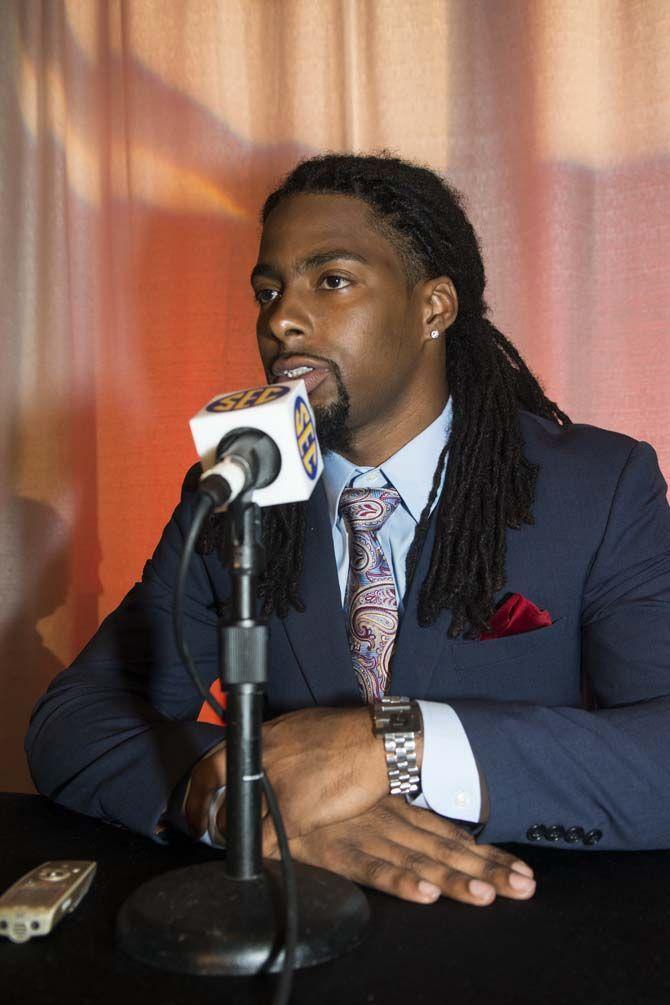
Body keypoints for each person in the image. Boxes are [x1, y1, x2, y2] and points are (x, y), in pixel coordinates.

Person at [26, 153, 670, 909]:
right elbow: (73, 722)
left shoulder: (598, 486)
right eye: (269, 290)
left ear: (434, 307)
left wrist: (393, 744)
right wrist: (254, 798)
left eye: (330, 280)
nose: (280, 319)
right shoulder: (237, 489)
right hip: (298, 934)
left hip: (518, 932)